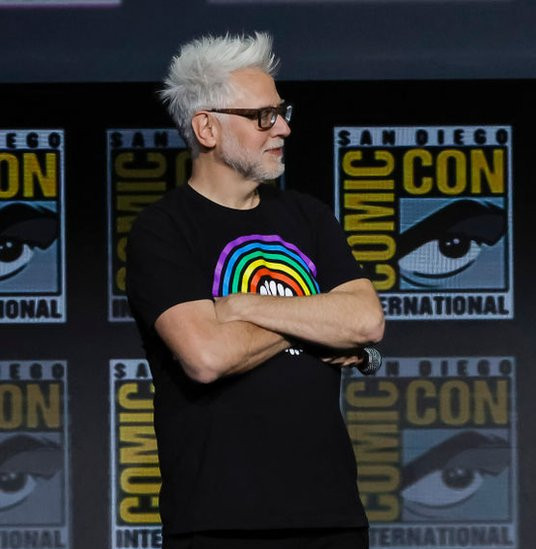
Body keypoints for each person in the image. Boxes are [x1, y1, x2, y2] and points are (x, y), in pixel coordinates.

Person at [126, 32, 384, 549]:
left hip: (330, 515)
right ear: (207, 127)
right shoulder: (164, 229)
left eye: (282, 111)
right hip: (219, 521)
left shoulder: (308, 216)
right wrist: (314, 323)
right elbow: (206, 355)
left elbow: (365, 322)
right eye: (263, 116)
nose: (284, 127)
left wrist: (245, 305)